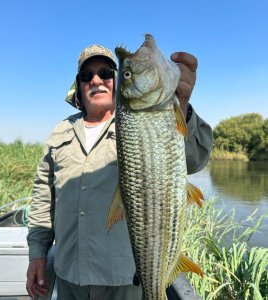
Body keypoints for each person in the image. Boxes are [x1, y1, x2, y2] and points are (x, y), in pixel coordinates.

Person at [26, 44, 213, 300]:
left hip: (125, 278)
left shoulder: (142, 119)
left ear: (116, 82)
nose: (96, 80)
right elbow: (42, 198)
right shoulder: (60, 132)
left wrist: (182, 106)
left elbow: (195, 160)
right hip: (68, 272)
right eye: (86, 75)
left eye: (105, 73)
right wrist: (37, 253)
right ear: (79, 85)